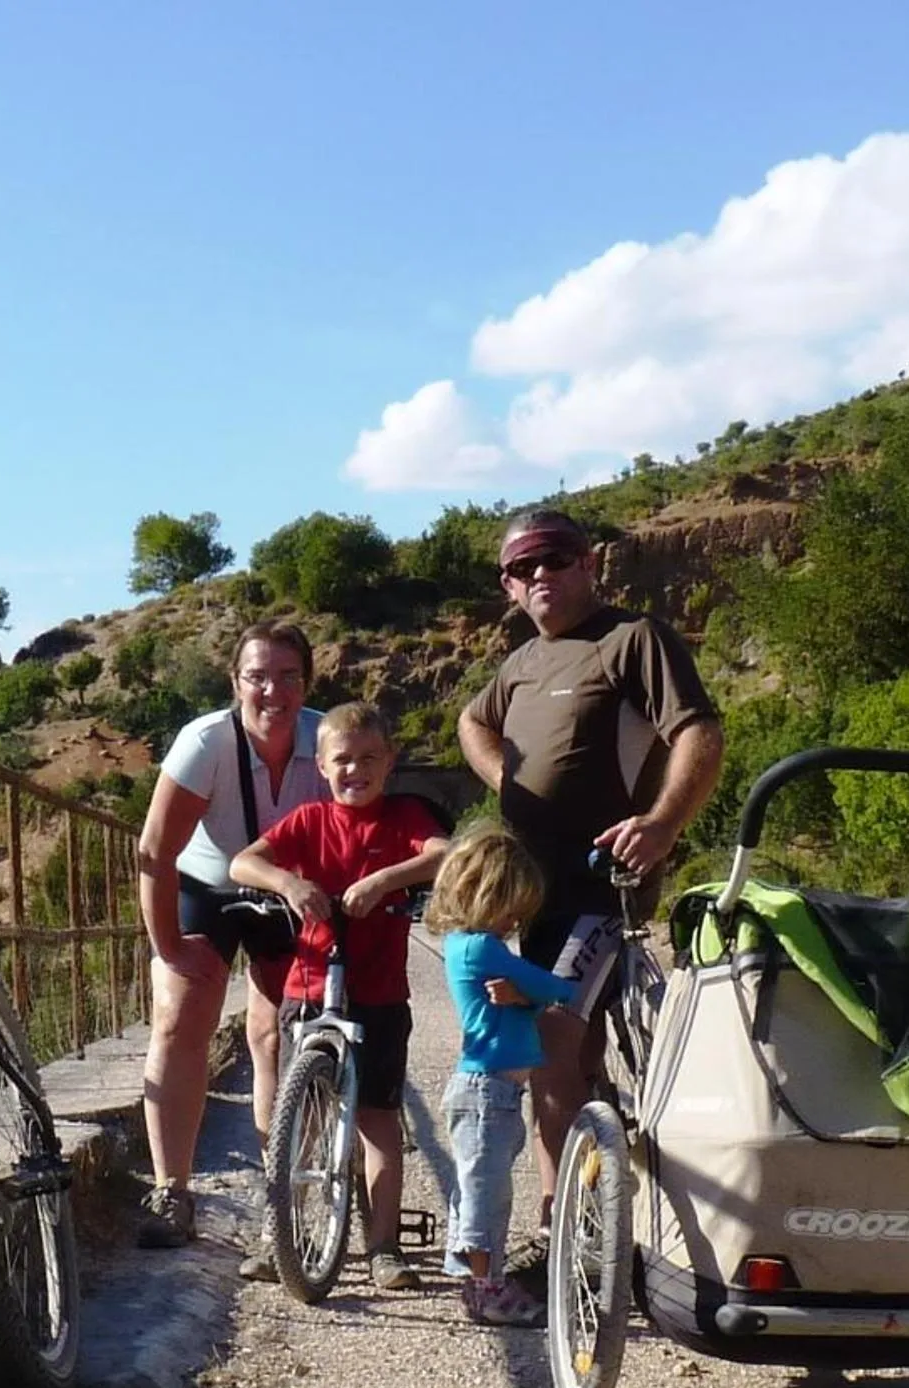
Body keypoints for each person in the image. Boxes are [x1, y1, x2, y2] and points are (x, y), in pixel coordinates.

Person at [455, 508, 724, 1286]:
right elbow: (473, 720)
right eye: (522, 568)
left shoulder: (633, 639)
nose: (540, 576)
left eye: (556, 559)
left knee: (549, 1042)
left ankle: (563, 1232)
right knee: (569, 1056)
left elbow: (699, 732)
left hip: (603, 888)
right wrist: (503, 778)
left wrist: (665, 822)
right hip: (536, 898)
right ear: (508, 585)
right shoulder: (521, 663)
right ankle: (595, 1208)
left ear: (589, 563)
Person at [228, 701, 450, 1290]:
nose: (356, 771)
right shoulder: (307, 821)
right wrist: (290, 883)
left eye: (369, 759)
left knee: (378, 1118)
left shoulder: (403, 815)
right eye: (343, 761)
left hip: (377, 991)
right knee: (299, 1118)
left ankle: (384, 1246)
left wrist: (383, 881)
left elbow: (444, 853)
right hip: (309, 984)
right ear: (322, 766)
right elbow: (242, 863)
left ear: (390, 761)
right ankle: (286, 1237)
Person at [133, 622, 327, 1249]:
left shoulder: (327, 740)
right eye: (257, 676)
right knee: (178, 1020)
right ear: (235, 682)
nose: (273, 690)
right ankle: (173, 1191)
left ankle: (281, 1192)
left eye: (288, 676)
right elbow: (155, 851)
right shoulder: (205, 742)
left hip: (285, 889)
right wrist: (167, 946)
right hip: (206, 886)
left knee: (279, 1031)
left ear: (307, 682)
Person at [426, 824, 576, 1327]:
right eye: (512, 908)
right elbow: (557, 988)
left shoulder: (459, 944)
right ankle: (487, 1286)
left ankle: (474, 1280)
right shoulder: (484, 950)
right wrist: (536, 993)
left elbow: (524, 994)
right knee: (488, 1190)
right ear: (484, 896)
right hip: (488, 1090)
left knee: (476, 1184)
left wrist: (518, 997)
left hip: (491, 1091)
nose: (516, 920)